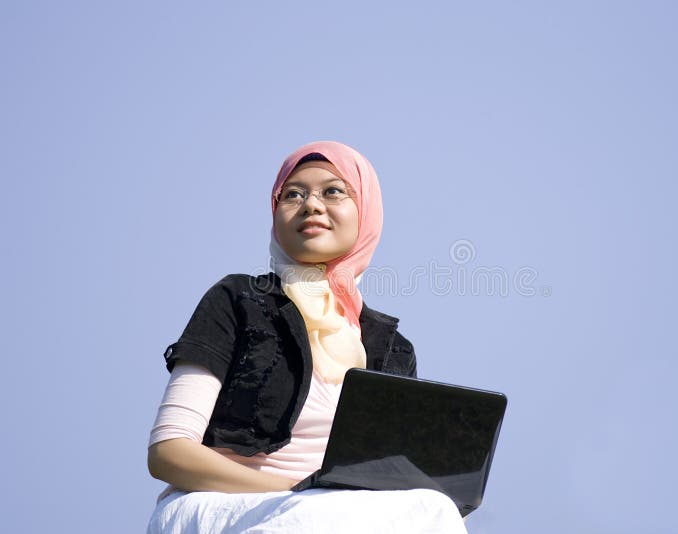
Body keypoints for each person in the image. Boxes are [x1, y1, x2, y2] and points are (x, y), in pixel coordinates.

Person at [146, 141, 468, 533]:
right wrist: (294, 491)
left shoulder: (392, 348)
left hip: (339, 514)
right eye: (293, 194)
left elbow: (388, 480)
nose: (311, 205)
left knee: (434, 509)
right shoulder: (238, 300)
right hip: (228, 508)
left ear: (365, 211)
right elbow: (168, 454)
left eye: (333, 191)